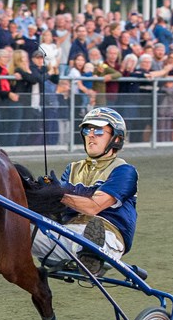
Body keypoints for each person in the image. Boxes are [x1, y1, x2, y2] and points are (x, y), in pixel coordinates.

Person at [30, 108, 137, 275]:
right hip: (67, 234)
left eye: (99, 130)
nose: (91, 135)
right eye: (87, 130)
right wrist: (38, 194)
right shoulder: (72, 168)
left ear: (116, 138)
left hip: (108, 235)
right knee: (17, 228)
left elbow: (93, 207)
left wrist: (57, 194)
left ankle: (91, 255)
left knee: (92, 233)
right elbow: (60, 209)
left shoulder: (124, 171)